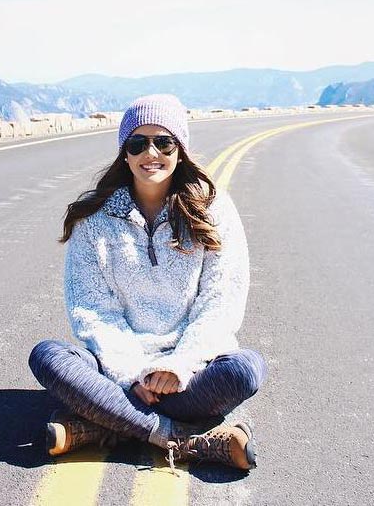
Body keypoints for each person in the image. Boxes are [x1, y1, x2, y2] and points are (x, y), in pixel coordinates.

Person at [29, 94, 267, 471]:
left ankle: (106, 423)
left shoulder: (213, 210)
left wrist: (179, 366)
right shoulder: (93, 220)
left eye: (164, 142)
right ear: (124, 154)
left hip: (191, 373)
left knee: (245, 369)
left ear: (180, 150)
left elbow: (221, 302)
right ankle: (177, 437)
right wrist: (133, 374)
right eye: (137, 143)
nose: (150, 153)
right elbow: (93, 311)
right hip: (119, 372)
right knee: (49, 357)